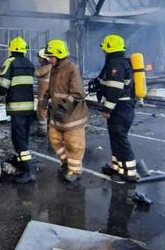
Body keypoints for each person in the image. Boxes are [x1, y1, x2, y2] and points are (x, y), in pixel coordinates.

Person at [44, 39, 89, 183]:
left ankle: (75, 170)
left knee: (74, 144)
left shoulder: (71, 69)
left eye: (51, 57)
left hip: (72, 116)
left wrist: (64, 109)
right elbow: (53, 88)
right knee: (54, 139)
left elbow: (78, 94)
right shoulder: (54, 69)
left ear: (60, 55)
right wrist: (45, 98)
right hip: (57, 115)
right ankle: (65, 163)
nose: (49, 60)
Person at [0, 36, 36, 184]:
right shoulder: (29, 64)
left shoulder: (10, 62)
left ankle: (27, 171)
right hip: (29, 108)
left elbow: (3, 84)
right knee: (23, 137)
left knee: (19, 139)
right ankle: (20, 161)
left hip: (17, 108)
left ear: (10, 49)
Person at [97, 34, 140, 182]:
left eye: (104, 49)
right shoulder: (119, 62)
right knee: (115, 138)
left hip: (120, 107)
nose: (103, 52)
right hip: (122, 107)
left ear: (110, 48)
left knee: (120, 138)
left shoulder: (116, 65)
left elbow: (115, 89)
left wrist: (107, 109)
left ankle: (130, 172)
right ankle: (117, 167)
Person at [34, 49, 52, 137]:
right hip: (49, 96)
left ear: (44, 59)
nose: (38, 59)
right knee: (48, 114)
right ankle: (49, 130)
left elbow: (36, 73)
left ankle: (42, 131)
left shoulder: (46, 68)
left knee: (41, 113)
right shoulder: (52, 67)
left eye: (40, 58)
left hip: (43, 96)